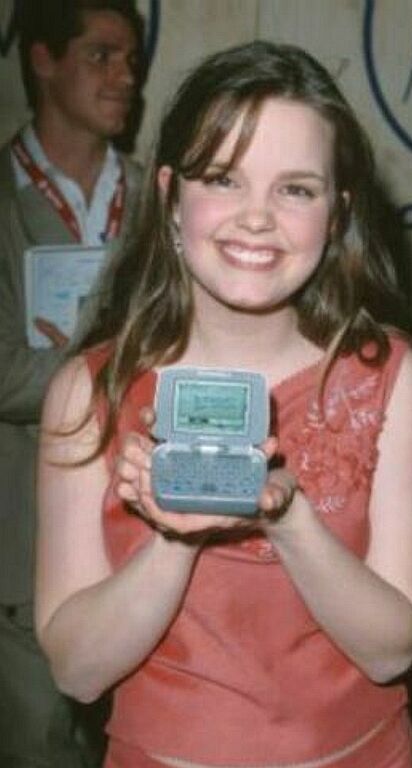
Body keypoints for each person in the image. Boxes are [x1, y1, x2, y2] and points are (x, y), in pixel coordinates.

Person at [36, 41, 412, 768]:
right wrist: (176, 534)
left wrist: (284, 516)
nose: (257, 217)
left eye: (296, 189)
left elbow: (390, 650)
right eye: (223, 179)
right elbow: (77, 671)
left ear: (337, 213)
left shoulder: (387, 376)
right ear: (169, 195)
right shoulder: (90, 389)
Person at [0, 1, 144, 765]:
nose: (126, 77)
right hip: (24, 539)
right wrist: (126, 367)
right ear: (43, 60)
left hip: (145, 530)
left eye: (131, 60)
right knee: (40, 745)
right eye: (101, 56)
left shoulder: (159, 199)